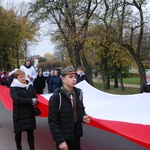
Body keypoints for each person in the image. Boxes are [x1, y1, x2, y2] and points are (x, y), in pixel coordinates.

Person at [48, 66, 90, 150]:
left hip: (76, 135)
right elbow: (53, 121)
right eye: (70, 77)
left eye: (75, 77)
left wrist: (83, 116)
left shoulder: (78, 93)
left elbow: (81, 109)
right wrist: (60, 140)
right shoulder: (56, 97)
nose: (74, 79)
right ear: (63, 79)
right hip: (63, 137)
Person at [10, 70, 38, 150]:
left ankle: (32, 148)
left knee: (30, 133)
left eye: (23, 76)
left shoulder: (29, 85)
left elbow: (34, 95)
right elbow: (16, 99)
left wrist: (35, 100)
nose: (23, 78)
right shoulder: (14, 87)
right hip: (19, 114)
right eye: (20, 77)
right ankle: (19, 148)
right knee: (18, 133)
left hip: (29, 113)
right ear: (16, 78)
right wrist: (30, 101)